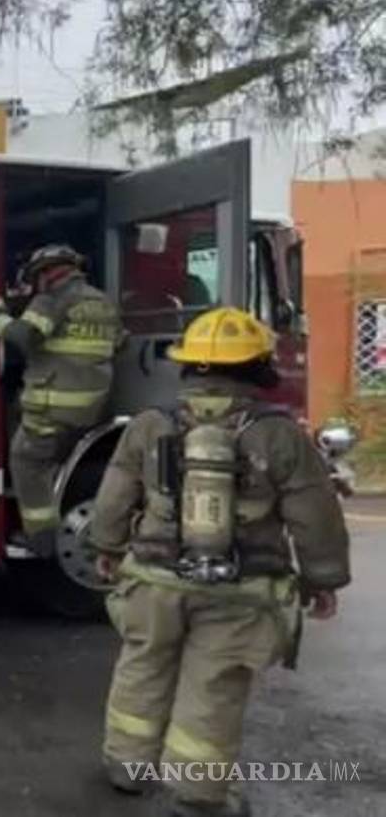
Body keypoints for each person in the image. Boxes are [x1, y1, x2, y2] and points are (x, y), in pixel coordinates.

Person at [89, 307, 351, 817]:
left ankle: (127, 766)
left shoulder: (150, 424)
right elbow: (314, 513)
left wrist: (107, 549)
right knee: (213, 684)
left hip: (152, 581)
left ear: (188, 366)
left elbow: (114, 495)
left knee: (143, 665)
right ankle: (197, 792)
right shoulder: (279, 435)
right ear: (257, 367)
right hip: (240, 591)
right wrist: (323, 580)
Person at [0, 243, 122, 556]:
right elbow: (120, 343)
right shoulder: (102, 301)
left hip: (53, 409)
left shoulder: (51, 298)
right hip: (92, 409)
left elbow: (25, 336)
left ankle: (41, 539)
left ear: (47, 274)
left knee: (26, 460)